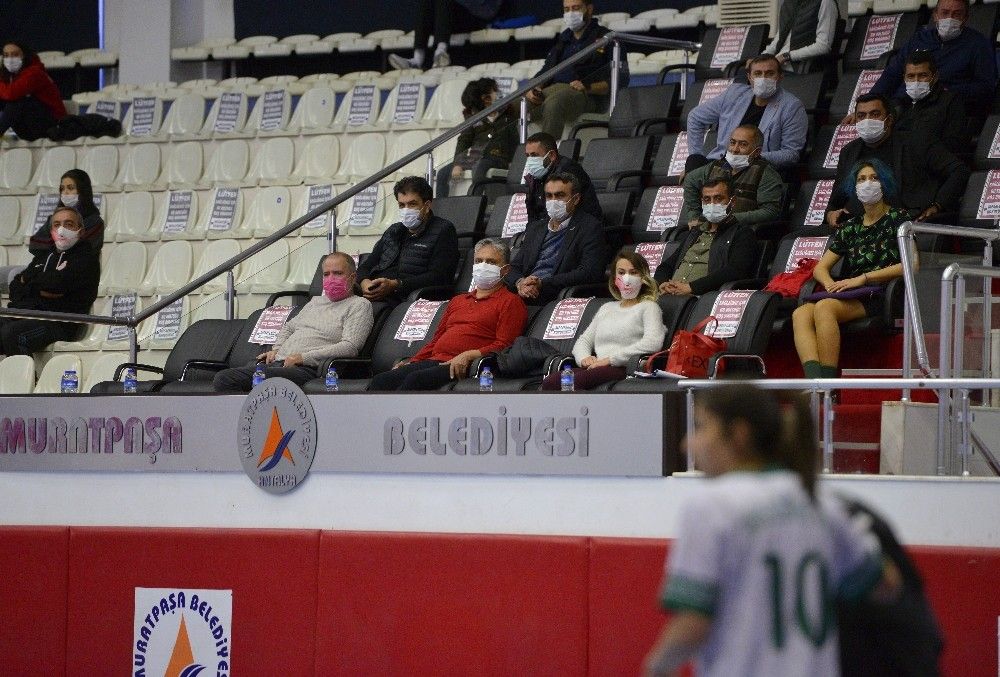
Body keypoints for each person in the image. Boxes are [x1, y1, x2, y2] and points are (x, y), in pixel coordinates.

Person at [644, 384, 899, 677]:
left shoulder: (711, 506)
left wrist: (657, 667)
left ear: (738, 434)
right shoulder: (823, 503)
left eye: (701, 427)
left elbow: (693, 622)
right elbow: (886, 583)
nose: (688, 444)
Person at [794, 160, 907, 379]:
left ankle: (828, 385)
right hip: (853, 292)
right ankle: (815, 382)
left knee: (824, 307)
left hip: (882, 292)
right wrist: (829, 284)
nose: (868, 183)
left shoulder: (899, 219)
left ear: (884, 184)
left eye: (874, 178)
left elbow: (911, 263)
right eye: (861, 179)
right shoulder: (850, 227)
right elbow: (820, 268)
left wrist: (863, 278)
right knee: (800, 313)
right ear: (854, 188)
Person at [368, 238, 527, 391]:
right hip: (436, 360)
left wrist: (469, 355)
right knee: (381, 381)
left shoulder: (511, 302)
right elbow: (436, 340)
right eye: (478, 261)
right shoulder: (458, 300)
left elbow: (505, 345)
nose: (483, 266)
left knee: (415, 380)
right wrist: (413, 361)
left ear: (505, 270)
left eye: (491, 262)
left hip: (467, 366)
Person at [213, 253, 373, 392]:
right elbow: (289, 327)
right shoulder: (315, 302)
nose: (331, 279)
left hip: (309, 369)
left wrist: (303, 358)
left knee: (226, 378)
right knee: (242, 371)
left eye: (337, 273)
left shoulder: (359, 305)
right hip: (281, 363)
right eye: (326, 274)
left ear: (353, 278)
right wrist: (276, 350)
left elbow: (350, 347)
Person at [825, 94, 968, 227]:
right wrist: (831, 214)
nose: (867, 120)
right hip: (860, 226)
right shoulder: (849, 151)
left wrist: (938, 205)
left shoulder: (918, 142)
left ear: (889, 119)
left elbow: (959, 171)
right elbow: (837, 199)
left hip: (906, 223)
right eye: (861, 116)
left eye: (875, 114)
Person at [541, 248, 665, 390]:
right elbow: (584, 340)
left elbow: (653, 343)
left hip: (624, 368)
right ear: (614, 279)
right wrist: (584, 358)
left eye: (633, 272)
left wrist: (610, 360)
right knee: (550, 381)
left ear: (643, 278)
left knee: (573, 382)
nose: (627, 278)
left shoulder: (649, 307)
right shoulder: (607, 307)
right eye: (621, 272)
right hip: (596, 367)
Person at [868, 0, 996, 125]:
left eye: (957, 14)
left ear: (965, 18)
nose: (950, 18)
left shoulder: (978, 44)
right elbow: (891, 74)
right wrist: (871, 101)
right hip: (903, 104)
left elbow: (985, 88)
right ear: (935, 15)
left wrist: (948, 92)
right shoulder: (919, 39)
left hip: (943, 109)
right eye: (945, 13)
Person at [1, 207, 99, 356]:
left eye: (69, 224)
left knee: (13, 334)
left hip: (60, 322)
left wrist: (29, 282)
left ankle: (26, 372)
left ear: (80, 230)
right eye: (57, 225)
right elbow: (15, 287)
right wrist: (38, 287)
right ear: (51, 230)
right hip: (26, 315)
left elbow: (56, 286)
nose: (61, 230)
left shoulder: (86, 258)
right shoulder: (45, 255)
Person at [686, 54, 808, 172]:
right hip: (720, 164)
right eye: (758, 73)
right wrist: (696, 154)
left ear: (780, 77)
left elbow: (791, 154)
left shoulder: (792, 106)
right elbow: (695, 117)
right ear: (749, 77)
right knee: (692, 167)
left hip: (756, 170)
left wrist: (752, 159)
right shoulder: (734, 94)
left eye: (770, 73)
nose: (763, 78)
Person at [525, 0, 623, 139]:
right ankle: (499, 152)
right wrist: (533, 87)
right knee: (514, 105)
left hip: (586, 94)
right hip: (553, 89)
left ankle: (547, 151)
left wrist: (587, 87)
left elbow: (620, 79)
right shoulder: (564, 38)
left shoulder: (607, 38)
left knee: (554, 103)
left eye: (576, 8)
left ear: (589, 9)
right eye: (567, 9)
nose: (570, 13)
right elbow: (546, 70)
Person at [505, 172, 607, 304]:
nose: (553, 201)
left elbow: (589, 272)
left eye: (560, 195)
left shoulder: (589, 227)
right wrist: (520, 283)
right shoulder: (536, 228)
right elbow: (514, 266)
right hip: (525, 293)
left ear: (576, 199)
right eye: (549, 196)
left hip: (556, 295)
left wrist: (542, 283)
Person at [355, 176, 459, 305]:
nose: (406, 210)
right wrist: (365, 282)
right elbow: (367, 265)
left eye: (412, 204)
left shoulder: (443, 230)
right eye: (402, 205)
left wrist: (396, 285)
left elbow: (439, 276)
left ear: (427, 206)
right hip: (376, 295)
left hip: (407, 298)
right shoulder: (394, 230)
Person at [656, 178, 757, 296]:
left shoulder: (742, 233)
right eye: (707, 199)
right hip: (671, 295)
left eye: (718, 198)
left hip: (702, 298)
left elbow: (735, 271)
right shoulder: (695, 232)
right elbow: (666, 265)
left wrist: (691, 287)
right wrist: (662, 283)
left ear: (732, 201)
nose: (712, 204)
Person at [681, 125, 783, 233]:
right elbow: (690, 180)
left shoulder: (765, 173)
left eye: (743, 145)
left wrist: (732, 219)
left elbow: (770, 211)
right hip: (709, 229)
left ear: (757, 152)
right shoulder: (716, 166)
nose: (735, 149)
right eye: (733, 143)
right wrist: (694, 216)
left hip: (741, 232)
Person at [436, 78, 519, 198]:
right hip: (475, 156)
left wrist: (513, 161)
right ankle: (440, 206)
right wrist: (458, 163)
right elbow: (464, 140)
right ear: (486, 98)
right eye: (494, 91)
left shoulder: (507, 115)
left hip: (498, 157)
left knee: (480, 166)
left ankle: (473, 202)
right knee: (442, 173)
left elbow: (514, 140)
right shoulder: (474, 116)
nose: (498, 93)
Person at [893, 51, 969, 154]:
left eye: (922, 75)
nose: (916, 81)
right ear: (904, 78)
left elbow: (953, 145)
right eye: (911, 76)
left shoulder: (950, 102)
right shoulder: (899, 104)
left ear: (935, 77)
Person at [522, 131, 601, 222]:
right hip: (549, 226)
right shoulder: (536, 176)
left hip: (579, 226)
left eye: (534, 155)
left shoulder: (567, 170)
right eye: (527, 156)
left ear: (552, 155)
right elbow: (533, 212)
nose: (530, 160)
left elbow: (560, 212)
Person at [0, 41, 66, 141]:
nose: (10, 59)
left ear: (24, 56)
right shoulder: (10, 75)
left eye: (15, 54)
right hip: (29, 128)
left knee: (18, 101)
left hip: (53, 125)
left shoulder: (35, 72)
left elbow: (11, 93)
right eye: (6, 55)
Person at [29, 169, 105, 255]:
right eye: (62, 189)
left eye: (70, 188)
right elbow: (34, 245)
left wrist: (53, 241)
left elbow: (80, 249)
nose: (65, 192)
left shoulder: (95, 222)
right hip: (53, 263)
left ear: (83, 190)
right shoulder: (53, 219)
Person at [762, 0, 840, 69]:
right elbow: (779, 38)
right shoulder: (788, 3)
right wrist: (761, 58)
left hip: (800, 69)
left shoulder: (826, 2)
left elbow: (823, 46)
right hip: (777, 66)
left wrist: (786, 56)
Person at [387, 0, 455, 70]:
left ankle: (441, 52)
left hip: (456, 18)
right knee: (424, 2)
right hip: (438, 21)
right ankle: (416, 61)